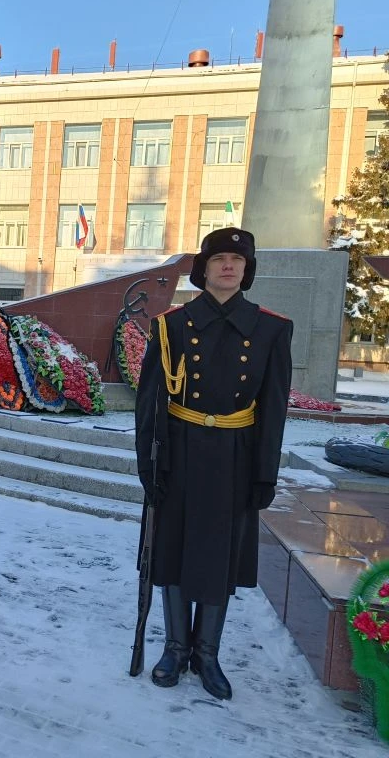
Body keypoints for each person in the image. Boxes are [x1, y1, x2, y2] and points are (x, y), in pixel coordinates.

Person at [134, 227, 293, 701]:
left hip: (235, 456)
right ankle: (176, 648)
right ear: (203, 269)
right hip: (181, 452)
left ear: (247, 271)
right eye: (219, 258)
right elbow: (149, 403)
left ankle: (207, 653)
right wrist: (150, 466)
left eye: (237, 260)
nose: (228, 265)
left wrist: (265, 472)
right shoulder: (172, 325)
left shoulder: (271, 328)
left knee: (219, 555)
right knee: (175, 550)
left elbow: (275, 407)